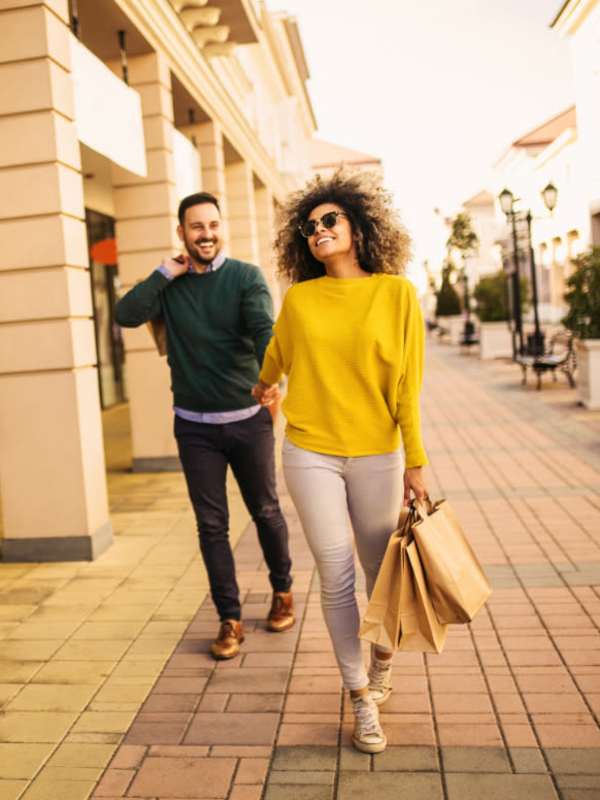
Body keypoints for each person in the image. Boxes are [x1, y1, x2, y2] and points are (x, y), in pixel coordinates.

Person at [252, 170, 429, 754]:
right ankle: (358, 697)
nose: (318, 230)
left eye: (330, 220)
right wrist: (265, 385)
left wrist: (416, 461)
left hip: (379, 452)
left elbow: (408, 388)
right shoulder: (300, 298)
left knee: (381, 574)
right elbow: (278, 353)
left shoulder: (397, 294)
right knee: (335, 572)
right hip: (310, 451)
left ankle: (382, 661)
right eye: (309, 226)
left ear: (358, 226)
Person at [115, 191, 294, 660]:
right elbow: (125, 314)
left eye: (213, 225)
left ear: (221, 227)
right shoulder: (169, 285)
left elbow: (262, 329)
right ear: (182, 233)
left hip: (248, 421)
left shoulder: (244, 277)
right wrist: (163, 273)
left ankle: (283, 588)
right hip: (194, 427)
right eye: (196, 227)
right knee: (211, 526)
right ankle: (229, 618)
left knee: (266, 511)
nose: (206, 234)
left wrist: (269, 377)